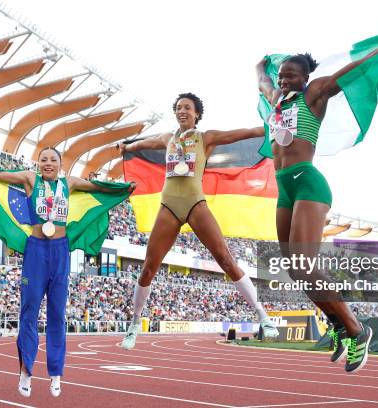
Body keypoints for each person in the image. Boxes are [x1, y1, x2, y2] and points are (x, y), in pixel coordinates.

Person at [256, 17, 378, 373]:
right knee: (295, 270)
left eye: (291, 74)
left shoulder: (316, 93)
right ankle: (341, 325)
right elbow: (262, 79)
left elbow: (361, 63)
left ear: (306, 77)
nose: (283, 79)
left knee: (305, 264)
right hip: (285, 188)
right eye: (282, 75)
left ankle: (358, 330)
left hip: (308, 182)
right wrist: (261, 64)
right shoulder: (275, 101)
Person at [0, 147, 135, 398]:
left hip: (60, 252)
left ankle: (56, 374)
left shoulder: (69, 183)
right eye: (44, 159)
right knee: (29, 312)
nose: (48, 163)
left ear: (60, 164)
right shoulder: (29, 179)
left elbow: (99, 188)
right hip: (36, 251)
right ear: (38, 164)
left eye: (53, 160)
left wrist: (124, 189)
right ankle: (26, 370)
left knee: (57, 315)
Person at [117, 93, 279, 350]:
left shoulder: (206, 137)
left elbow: (243, 133)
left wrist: (270, 127)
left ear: (197, 114)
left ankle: (263, 315)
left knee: (225, 259)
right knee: (149, 266)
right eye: (179, 107)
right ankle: (135, 322)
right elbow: (143, 143)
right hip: (168, 206)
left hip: (195, 204)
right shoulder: (166, 138)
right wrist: (127, 147)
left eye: (187, 108)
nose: (182, 111)